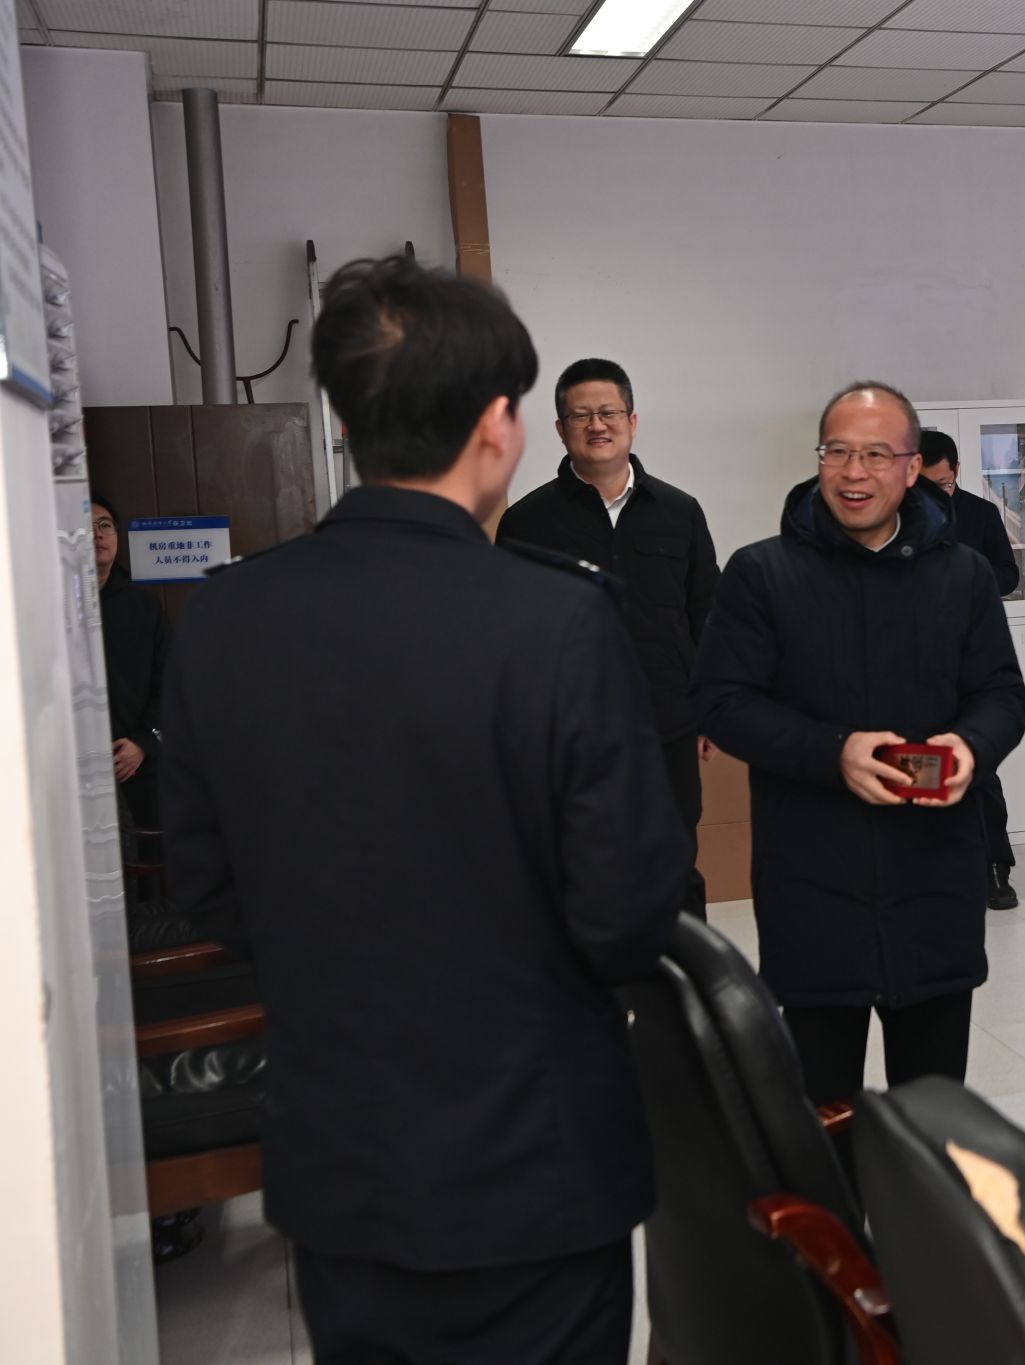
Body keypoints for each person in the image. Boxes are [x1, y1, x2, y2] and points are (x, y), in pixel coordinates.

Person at [161, 256, 692, 1364]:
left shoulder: (222, 620)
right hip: (537, 1160)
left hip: (343, 1161)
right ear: (498, 425)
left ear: (342, 418)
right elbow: (629, 910)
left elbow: (207, 888)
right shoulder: (558, 622)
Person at [690, 381, 1025, 1105]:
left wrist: (971, 748)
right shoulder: (763, 573)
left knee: (933, 1114)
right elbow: (721, 701)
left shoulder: (962, 575)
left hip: (934, 870)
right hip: (812, 877)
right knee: (822, 1115)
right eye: (837, 452)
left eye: (877, 454)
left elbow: (1003, 694)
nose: (854, 472)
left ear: (912, 467)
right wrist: (833, 751)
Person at [497, 357, 719, 918]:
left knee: (673, 864)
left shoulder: (680, 512)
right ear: (560, 429)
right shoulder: (527, 523)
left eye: (609, 413)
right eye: (581, 416)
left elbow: (707, 616)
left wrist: (711, 710)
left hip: (666, 726)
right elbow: (511, 639)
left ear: (632, 421)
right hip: (570, 734)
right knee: (580, 868)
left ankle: (679, 973)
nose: (597, 425)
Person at [918, 428, 1024, 911]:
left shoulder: (980, 514)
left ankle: (995, 866)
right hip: (914, 658)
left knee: (979, 764)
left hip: (971, 656)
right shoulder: (894, 516)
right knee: (920, 762)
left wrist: (968, 579)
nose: (932, 495)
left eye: (942, 484)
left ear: (957, 471)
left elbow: (1009, 573)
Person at [91, 490, 170, 827]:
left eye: (104, 525)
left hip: (137, 767)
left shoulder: (143, 608)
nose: (97, 534)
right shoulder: (47, 606)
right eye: (85, 527)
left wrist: (143, 743)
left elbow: (171, 683)